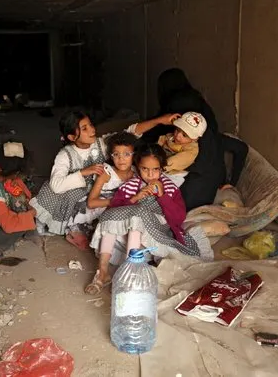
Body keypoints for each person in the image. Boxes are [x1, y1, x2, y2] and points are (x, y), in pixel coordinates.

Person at [29, 109, 180, 250]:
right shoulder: (65, 155)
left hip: (99, 189)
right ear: (72, 137)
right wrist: (83, 172)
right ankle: (73, 228)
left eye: (91, 125)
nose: (92, 130)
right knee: (82, 221)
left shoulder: (101, 144)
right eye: (85, 128)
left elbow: (129, 134)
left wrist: (160, 120)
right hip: (74, 192)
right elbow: (57, 185)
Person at [86, 143, 212, 295]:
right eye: (145, 169)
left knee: (138, 215)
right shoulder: (131, 185)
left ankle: (129, 273)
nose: (150, 174)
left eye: (155, 169)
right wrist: (136, 197)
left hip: (157, 235)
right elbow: (115, 206)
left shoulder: (170, 188)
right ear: (138, 167)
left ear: (162, 169)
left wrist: (162, 196)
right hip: (128, 238)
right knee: (110, 216)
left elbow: (178, 218)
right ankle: (102, 272)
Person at [143, 68, 248, 210]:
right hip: (208, 187)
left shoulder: (173, 115)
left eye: (184, 133)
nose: (179, 136)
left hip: (186, 197)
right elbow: (241, 148)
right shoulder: (208, 131)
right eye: (178, 131)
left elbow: (147, 138)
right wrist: (231, 182)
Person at [85, 131, 138, 218]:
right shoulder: (106, 173)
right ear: (111, 156)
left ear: (134, 155)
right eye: (116, 154)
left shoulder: (136, 172)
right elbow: (91, 203)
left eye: (127, 154)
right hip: (98, 213)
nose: (121, 158)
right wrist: (115, 201)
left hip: (123, 212)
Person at [158, 111, 207, 182]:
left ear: (195, 138)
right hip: (159, 163)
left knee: (168, 184)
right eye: (177, 130)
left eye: (184, 135)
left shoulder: (192, 149)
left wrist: (161, 166)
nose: (178, 136)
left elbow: (178, 160)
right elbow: (160, 142)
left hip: (173, 172)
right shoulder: (170, 136)